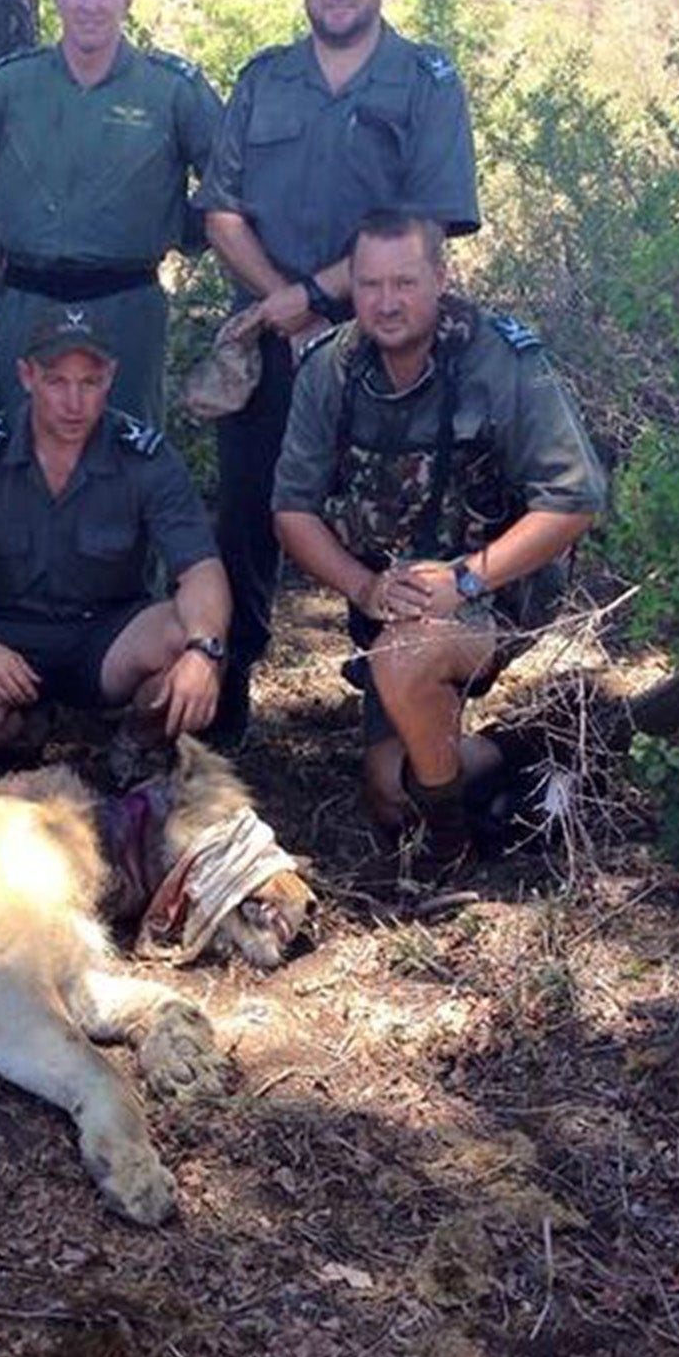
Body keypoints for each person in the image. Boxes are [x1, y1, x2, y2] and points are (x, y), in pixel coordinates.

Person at [196, 0, 480, 743]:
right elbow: (220, 211)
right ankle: (229, 692)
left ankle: (391, 695)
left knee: (395, 517)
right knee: (249, 514)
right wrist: (285, 307)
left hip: (386, 345)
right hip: (271, 348)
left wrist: (319, 301)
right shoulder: (263, 80)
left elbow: (430, 223)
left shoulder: (424, 82)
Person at [273, 213, 606, 874]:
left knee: (407, 655)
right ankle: (528, 745)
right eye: (370, 285)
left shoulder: (499, 360)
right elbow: (291, 510)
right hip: (387, 602)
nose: (387, 302)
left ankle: (444, 855)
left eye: (405, 282)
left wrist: (467, 582)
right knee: (390, 791)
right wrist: (363, 586)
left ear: (441, 279)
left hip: (497, 593)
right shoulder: (330, 369)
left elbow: (575, 498)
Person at [0, 0, 222, 425]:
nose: (90, 5)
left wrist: (180, 228)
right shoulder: (13, 83)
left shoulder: (171, 90)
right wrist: (7, 214)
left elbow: (227, 181)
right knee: (18, 448)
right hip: (27, 300)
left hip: (126, 305)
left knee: (128, 453)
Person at [0, 309, 230, 763]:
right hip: (1, 632)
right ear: (26, 375)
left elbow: (200, 568)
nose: (73, 402)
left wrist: (205, 650)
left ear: (111, 377)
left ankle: (136, 741)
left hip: (104, 637)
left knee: (196, 642)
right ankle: (21, 727)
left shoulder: (144, 455)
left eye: (90, 382)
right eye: (57, 381)